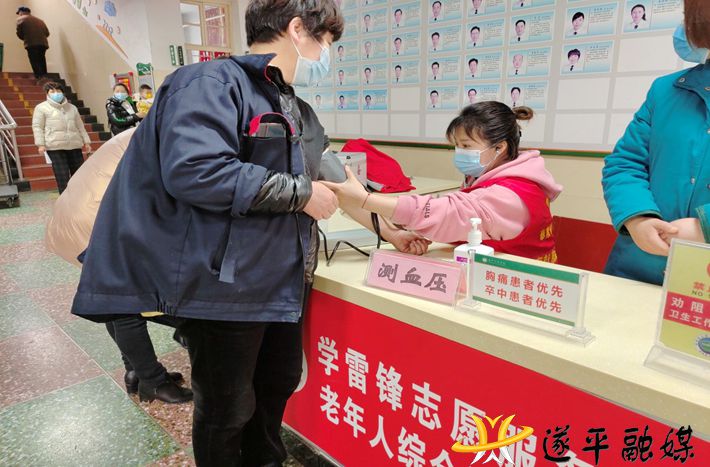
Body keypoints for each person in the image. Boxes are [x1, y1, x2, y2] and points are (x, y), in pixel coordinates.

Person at [44, 127, 192, 403]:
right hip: (96, 219)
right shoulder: (173, 137)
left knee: (113, 301)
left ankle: (135, 371)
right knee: (124, 303)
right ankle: (153, 381)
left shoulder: (152, 129)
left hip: (77, 215)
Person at [324, 102, 562, 262]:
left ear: (500, 147)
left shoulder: (507, 194)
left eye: (466, 146)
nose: (460, 152)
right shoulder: (514, 176)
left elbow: (448, 213)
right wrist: (396, 232)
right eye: (457, 146)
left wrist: (365, 199)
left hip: (517, 286)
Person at [602, 3, 710, 285]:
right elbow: (625, 163)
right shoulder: (665, 90)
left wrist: (705, 227)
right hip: (638, 268)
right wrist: (637, 218)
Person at [32, 82, 91, 194]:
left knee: (78, 174)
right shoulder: (41, 108)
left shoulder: (72, 108)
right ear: (47, 94)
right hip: (55, 146)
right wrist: (40, 144)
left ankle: (80, 198)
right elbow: (38, 127)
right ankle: (65, 200)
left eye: (58, 91)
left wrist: (86, 141)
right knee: (62, 176)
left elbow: (80, 126)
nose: (56, 93)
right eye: (52, 91)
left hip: (74, 144)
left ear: (63, 92)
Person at [15, 6, 50, 83]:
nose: (19, 14)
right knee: (41, 59)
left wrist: (25, 38)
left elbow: (19, 33)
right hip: (43, 43)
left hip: (31, 43)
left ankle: (39, 78)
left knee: (34, 60)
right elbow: (47, 33)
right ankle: (44, 76)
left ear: (21, 12)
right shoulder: (40, 20)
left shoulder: (20, 19)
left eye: (19, 13)